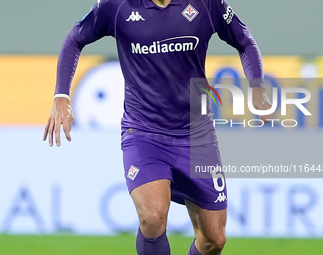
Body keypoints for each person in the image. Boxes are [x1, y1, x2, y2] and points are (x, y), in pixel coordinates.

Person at [43, 0, 273, 254]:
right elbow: (75, 39)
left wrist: (257, 87)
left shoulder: (206, 4)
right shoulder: (116, 6)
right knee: (153, 218)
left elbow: (245, 41)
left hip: (197, 135)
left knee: (213, 240)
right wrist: (61, 96)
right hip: (143, 133)